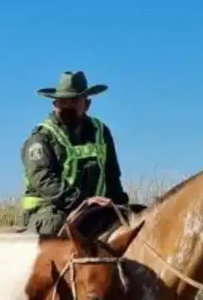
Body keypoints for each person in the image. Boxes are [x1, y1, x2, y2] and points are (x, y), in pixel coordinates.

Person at [19, 71, 130, 235]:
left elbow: (112, 177)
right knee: (59, 227)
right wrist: (82, 203)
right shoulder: (42, 137)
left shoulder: (100, 131)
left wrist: (121, 208)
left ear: (87, 104)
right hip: (49, 210)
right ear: (54, 103)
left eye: (74, 100)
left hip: (92, 210)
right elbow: (42, 179)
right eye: (63, 100)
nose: (67, 105)